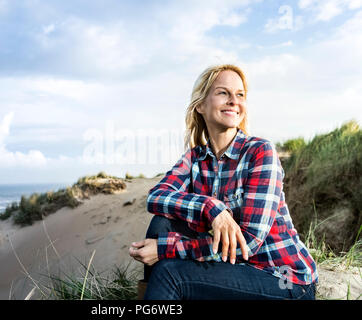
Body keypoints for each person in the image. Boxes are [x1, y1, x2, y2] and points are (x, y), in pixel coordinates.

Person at [129, 64, 318, 300]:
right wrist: (211, 207)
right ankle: (154, 295)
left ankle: (158, 293)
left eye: (239, 95)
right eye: (223, 93)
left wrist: (166, 249)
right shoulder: (195, 158)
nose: (233, 101)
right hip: (235, 271)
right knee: (162, 223)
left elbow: (248, 244)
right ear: (200, 105)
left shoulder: (260, 152)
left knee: (170, 274)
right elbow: (156, 197)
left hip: (284, 279)